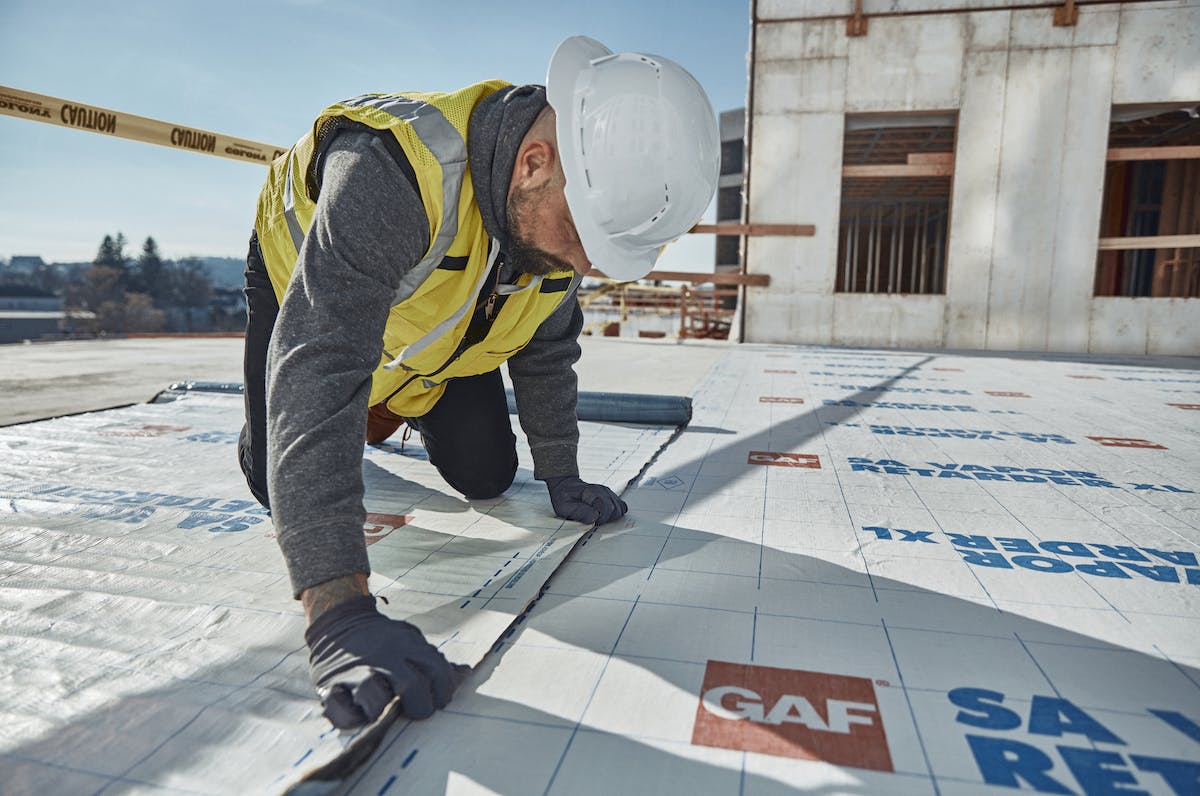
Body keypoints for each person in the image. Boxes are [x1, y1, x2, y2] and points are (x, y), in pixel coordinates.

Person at [238, 36, 719, 730]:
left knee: (489, 475)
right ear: (532, 163)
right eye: (585, 239)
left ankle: (393, 401)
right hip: (301, 290)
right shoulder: (396, 172)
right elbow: (321, 360)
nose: (586, 266)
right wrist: (337, 613)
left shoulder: (555, 217)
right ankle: (359, 407)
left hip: (431, 333)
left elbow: (550, 347)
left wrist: (561, 471)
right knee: (273, 480)